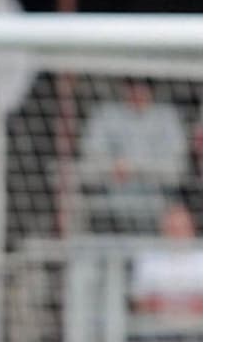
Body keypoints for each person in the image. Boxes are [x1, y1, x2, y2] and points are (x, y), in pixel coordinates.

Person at [78, 79, 188, 233]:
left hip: (156, 208)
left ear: (152, 91)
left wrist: (135, 168)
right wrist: (112, 166)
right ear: (124, 89)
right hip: (109, 205)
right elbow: (90, 155)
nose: (137, 93)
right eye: (132, 87)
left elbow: (176, 167)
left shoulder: (167, 117)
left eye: (143, 88)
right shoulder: (106, 113)